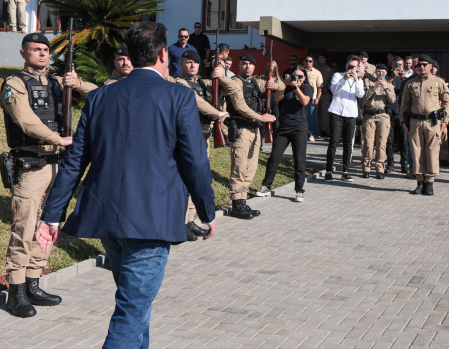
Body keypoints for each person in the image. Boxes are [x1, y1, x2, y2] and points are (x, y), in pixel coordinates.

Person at [36, 22, 217, 349]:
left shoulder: (101, 96)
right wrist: (208, 209)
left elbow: (75, 160)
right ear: (164, 54)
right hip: (151, 221)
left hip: (109, 220)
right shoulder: (179, 95)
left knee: (136, 305)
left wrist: (52, 216)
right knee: (131, 311)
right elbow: (195, 162)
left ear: (131, 56)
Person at [0, 32, 96, 318]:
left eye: (45, 50)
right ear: (23, 53)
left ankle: (33, 281)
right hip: (31, 165)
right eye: (36, 49)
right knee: (25, 227)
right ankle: (16, 290)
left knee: (48, 224)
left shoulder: (57, 83)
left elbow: (101, 95)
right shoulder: (14, 84)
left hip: (58, 165)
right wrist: (58, 138)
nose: (42, 54)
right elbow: (25, 121)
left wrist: (77, 84)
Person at [174, 50, 228, 238]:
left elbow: (228, 89)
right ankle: (181, 222)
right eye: (188, 62)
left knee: (198, 181)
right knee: (185, 180)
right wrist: (216, 112)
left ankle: (189, 220)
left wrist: (221, 74)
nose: (192, 66)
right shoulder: (177, 82)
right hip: (186, 139)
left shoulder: (205, 83)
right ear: (180, 64)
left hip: (202, 138)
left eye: (195, 63)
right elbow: (194, 100)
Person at [223, 53, 281, 219]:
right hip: (241, 129)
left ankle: (243, 200)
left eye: (250, 64)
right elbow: (240, 106)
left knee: (251, 168)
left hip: (255, 130)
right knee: (239, 167)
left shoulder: (256, 82)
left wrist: (273, 82)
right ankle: (236, 203)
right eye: (244, 63)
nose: (247, 66)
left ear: (255, 67)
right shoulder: (235, 82)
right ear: (239, 65)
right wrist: (261, 117)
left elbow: (283, 85)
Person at [259, 65, 313, 202]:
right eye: (295, 75)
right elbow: (277, 98)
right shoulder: (286, 86)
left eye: (301, 76)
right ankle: (266, 186)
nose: (298, 78)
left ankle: (299, 190)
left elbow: (305, 101)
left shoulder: (307, 87)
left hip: (299, 128)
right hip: (283, 128)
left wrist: (295, 87)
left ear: (304, 78)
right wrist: (286, 85)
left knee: (299, 161)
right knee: (274, 157)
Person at [400, 54, 449, 195]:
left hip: (433, 123)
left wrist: (445, 121)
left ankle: (429, 183)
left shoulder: (438, 82)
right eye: (419, 65)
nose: (421, 67)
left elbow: (447, 103)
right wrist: (403, 121)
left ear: (430, 66)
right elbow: (404, 105)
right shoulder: (411, 83)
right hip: (415, 122)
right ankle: (419, 182)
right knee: (417, 152)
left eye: (424, 64)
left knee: (432, 152)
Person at [325, 55, 365, 182]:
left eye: (354, 66)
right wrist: (344, 78)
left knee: (348, 144)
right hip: (336, 112)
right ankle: (328, 171)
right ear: (346, 65)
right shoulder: (338, 75)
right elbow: (333, 91)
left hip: (351, 114)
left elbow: (360, 94)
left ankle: (345, 172)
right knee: (334, 142)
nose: (352, 69)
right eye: (350, 66)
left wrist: (356, 80)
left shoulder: (359, 80)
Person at [361, 64, 396, 179]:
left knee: (381, 144)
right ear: (375, 73)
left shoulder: (390, 85)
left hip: (383, 116)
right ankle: (366, 168)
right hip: (370, 116)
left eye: (383, 72)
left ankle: (379, 169)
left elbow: (392, 100)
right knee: (368, 143)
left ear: (386, 73)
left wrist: (385, 87)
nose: (380, 74)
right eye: (378, 72)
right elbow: (365, 97)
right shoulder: (368, 83)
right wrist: (374, 87)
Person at [386, 57, 410, 174]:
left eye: (400, 65)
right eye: (396, 65)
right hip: (390, 113)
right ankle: (390, 163)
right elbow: (384, 87)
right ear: (392, 66)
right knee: (389, 141)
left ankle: (404, 164)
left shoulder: (407, 79)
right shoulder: (388, 77)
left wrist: (403, 78)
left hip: (402, 114)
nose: (398, 67)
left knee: (404, 141)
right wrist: (393, 76)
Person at [302, 55, 323, 142]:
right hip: (302, 98)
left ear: (313, 62)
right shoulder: (301, 71)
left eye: (310, 61)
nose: (308, 62)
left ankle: (311, 134)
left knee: (312, 117)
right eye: (306, 61)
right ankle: (303, 133)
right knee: (302, 116)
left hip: (312, 98)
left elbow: (320, 87)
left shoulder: (317, 72)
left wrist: (318, 98)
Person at [316, 54, 334, 136]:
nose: (321, 59)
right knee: (314, 112)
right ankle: (314, 129)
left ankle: (323, 129)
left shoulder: (329, 69)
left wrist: (327, 88)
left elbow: (332, 80)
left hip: (325, 93)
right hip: (315, 93)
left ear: (325, 59)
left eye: (323, 57)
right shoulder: (315, 68)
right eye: (320, 57)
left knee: (324, 112)